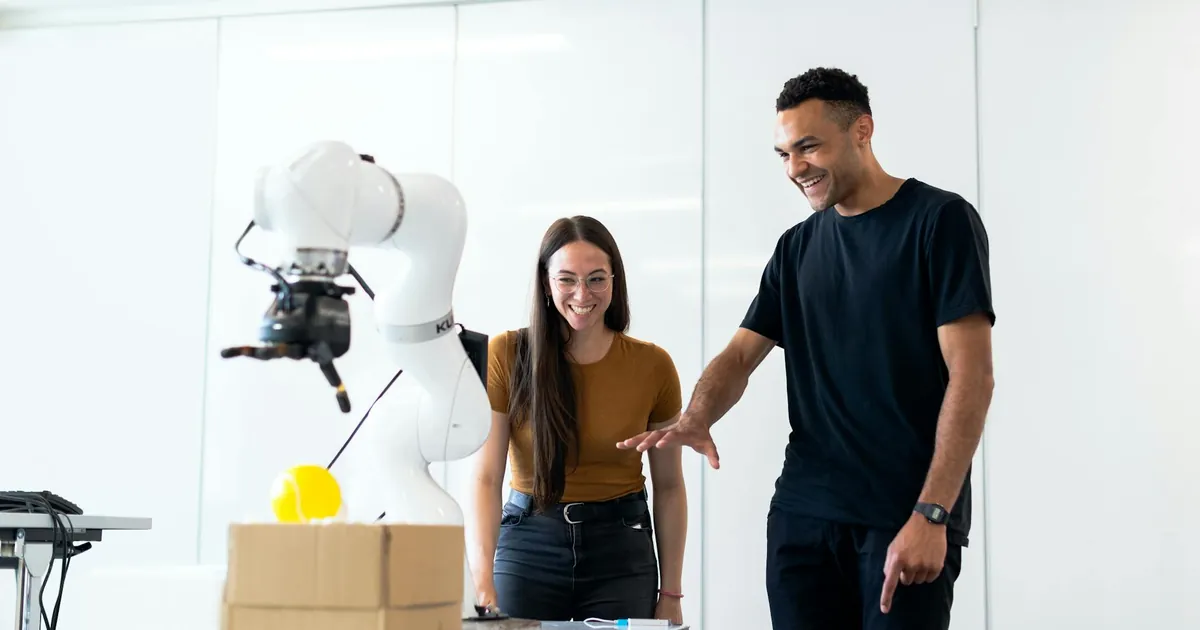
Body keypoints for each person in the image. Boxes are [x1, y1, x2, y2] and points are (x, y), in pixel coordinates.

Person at [619, 67, 995, 630]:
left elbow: (972, 376)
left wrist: (934, 512)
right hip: (804, 517)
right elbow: (740, 356)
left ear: (862, 130)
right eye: (784, 154)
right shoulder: (796, 247)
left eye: (809, 147)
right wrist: (698, 415)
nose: (795, 168)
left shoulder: (938, 222)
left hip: (904, 515)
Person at [468, 215, 688, 625]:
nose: (582, 294)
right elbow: (486, 477)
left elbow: (671, 486)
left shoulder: (653, 365)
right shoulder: (507, 354)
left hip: (621, 547)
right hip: (529, 542)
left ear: (614, 281)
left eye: (596, 279)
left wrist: (671, 593)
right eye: (567, 279)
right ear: (546, 283)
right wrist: (482, 583)